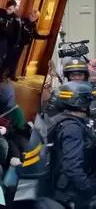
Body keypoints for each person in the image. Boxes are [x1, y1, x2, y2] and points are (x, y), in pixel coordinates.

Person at [45, 80, 96, 209]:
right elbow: (72, 167)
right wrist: (88, 191)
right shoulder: (73, 128)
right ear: (83, 102)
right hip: (71, 192)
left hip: (60, 187)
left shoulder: (60, 119)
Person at [6, 9, 49, 81]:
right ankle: (2, 75)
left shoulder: (33, 25)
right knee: (9, 58)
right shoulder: (22, 21)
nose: (32, 18)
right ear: (29, 14)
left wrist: (46, 37)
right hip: (15, 43)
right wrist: (15, 42)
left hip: (22, 45)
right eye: (32, 15)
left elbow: (35, 35)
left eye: (35, 17)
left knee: (16, 60)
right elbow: (16, 32)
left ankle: (11, 74)